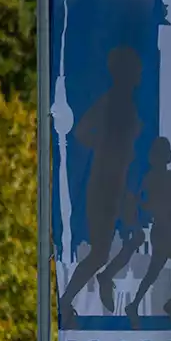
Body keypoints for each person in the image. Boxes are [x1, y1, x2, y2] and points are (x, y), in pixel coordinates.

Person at [58, 46, 143, 325]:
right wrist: (105, 148)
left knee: (136, 239)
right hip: (105, 183)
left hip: (121, 183)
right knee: (99, 252)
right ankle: (67, 301)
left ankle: (105, 279)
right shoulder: (111, 101)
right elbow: (82, 131)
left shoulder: (128, 103)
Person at [125, 137, 171, 327]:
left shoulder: (170, 176)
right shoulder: (152, 177)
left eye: (169, 152)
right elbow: (147, 203)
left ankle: (139, 305)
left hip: (167, 231)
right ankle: (169, 303)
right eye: (166, 152)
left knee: (155, 272)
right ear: (157, 156)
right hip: (160, 232)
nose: (169, 155)